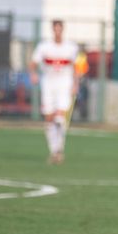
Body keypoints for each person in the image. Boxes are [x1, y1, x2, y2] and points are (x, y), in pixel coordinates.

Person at [29, 20, 79, 165]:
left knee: (60, 116)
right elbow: (33, 63)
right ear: (52, 30)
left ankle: (59, 149)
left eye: (59, 29)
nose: (57, 32)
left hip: (64, 83)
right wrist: (33, 74)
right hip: (48, 83)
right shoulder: (44, 46)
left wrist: (75, 83)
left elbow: (76, 67)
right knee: (49, 117)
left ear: (63, 30)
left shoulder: (71, 47)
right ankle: (54, 150)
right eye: (55, 29)